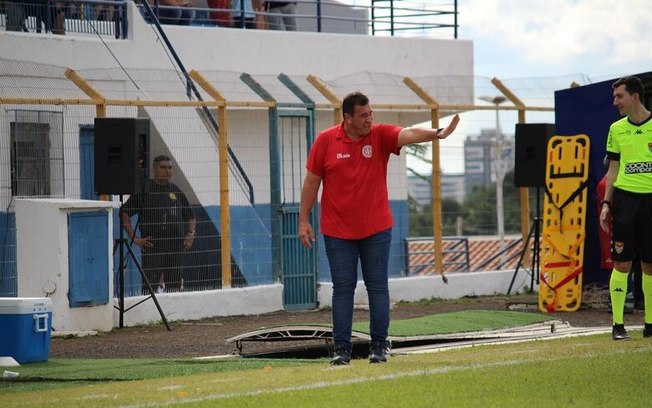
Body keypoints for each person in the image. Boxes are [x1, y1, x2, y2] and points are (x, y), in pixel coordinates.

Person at [299, 92, 460, 364]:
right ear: (346, 117)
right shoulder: (326, 140)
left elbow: (407, 133)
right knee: (342, 289)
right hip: (338, 232)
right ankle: (341, 350)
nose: (369, 119)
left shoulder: (379, 134)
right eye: (363, 115)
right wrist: (303, 219)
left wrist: (438, 132)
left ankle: (379, 346)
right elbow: (312, 182)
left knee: (377, 287)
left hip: (376, 229)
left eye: (370, 113)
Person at [599, 75, 652, 340]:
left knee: (650, 265)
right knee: (621, 264)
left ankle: (650, 325)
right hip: (625, 203)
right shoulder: (616, 129)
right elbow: (613, 170)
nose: (615, 102)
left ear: (635, 96)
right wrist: (607, 204)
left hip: (650, 202)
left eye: (619, 96)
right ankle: (618, 326)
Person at [120, 155, 197, 294]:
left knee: (174, 285)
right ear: (154, 169)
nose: (167, 171)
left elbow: (190, 216)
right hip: (153, 247)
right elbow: (124, 213)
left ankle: (172, 314)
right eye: (163, 167)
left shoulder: (176, 191)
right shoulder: (144, 190)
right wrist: (134, 238)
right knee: (150, 286)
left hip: (175, 247)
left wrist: (191, 234)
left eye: (170, 168)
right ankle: (149, 313)